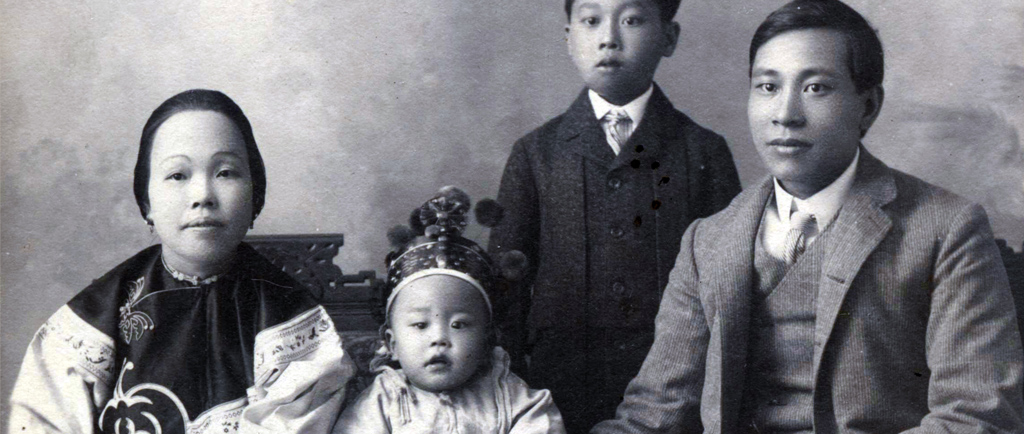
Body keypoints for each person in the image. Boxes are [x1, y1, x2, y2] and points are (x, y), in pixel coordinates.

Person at [592, 1, 1024, 432]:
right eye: (767, 87)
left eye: (816, 88)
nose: (785, 115)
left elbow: (977, 415)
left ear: (868, 106)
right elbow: (650, 418)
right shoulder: (707, 241)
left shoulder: (946, 229)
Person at [7, 89, 355, 434]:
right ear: (146, 202)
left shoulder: (291, 320)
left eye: (226, 173)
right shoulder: (89, 325)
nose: (202, 195)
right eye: (177, 175)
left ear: (256, 194)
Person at [488, 0, 741, 431]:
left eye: (632, 19)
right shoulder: (536, 154)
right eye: (590, 21)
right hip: (554, 393)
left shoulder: (702, 151)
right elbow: (504, 295)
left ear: (669, 37)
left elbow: (730, 289)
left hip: (675, 398)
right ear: (569, 39)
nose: (609, 38)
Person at [333, 187, 565, 434]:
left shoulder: (512, 398)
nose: (439, 339)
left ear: (488, 339)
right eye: (421, 325)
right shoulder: (381, 403)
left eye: (459, 324)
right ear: (392, 344)